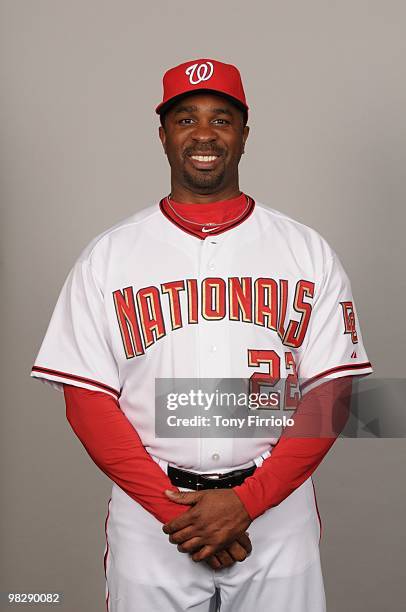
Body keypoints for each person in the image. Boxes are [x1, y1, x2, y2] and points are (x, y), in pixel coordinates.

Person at [31, 58, 373, 611]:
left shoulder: (305, 250)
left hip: (276, 511)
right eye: (186, 119)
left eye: (222, 118)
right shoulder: (109, 256)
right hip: (153, 512)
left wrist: (247, 502)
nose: (205, 133)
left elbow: (332, 396)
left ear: (244, 132)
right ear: (163, 134)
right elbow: (86, 402)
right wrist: (178, 515)